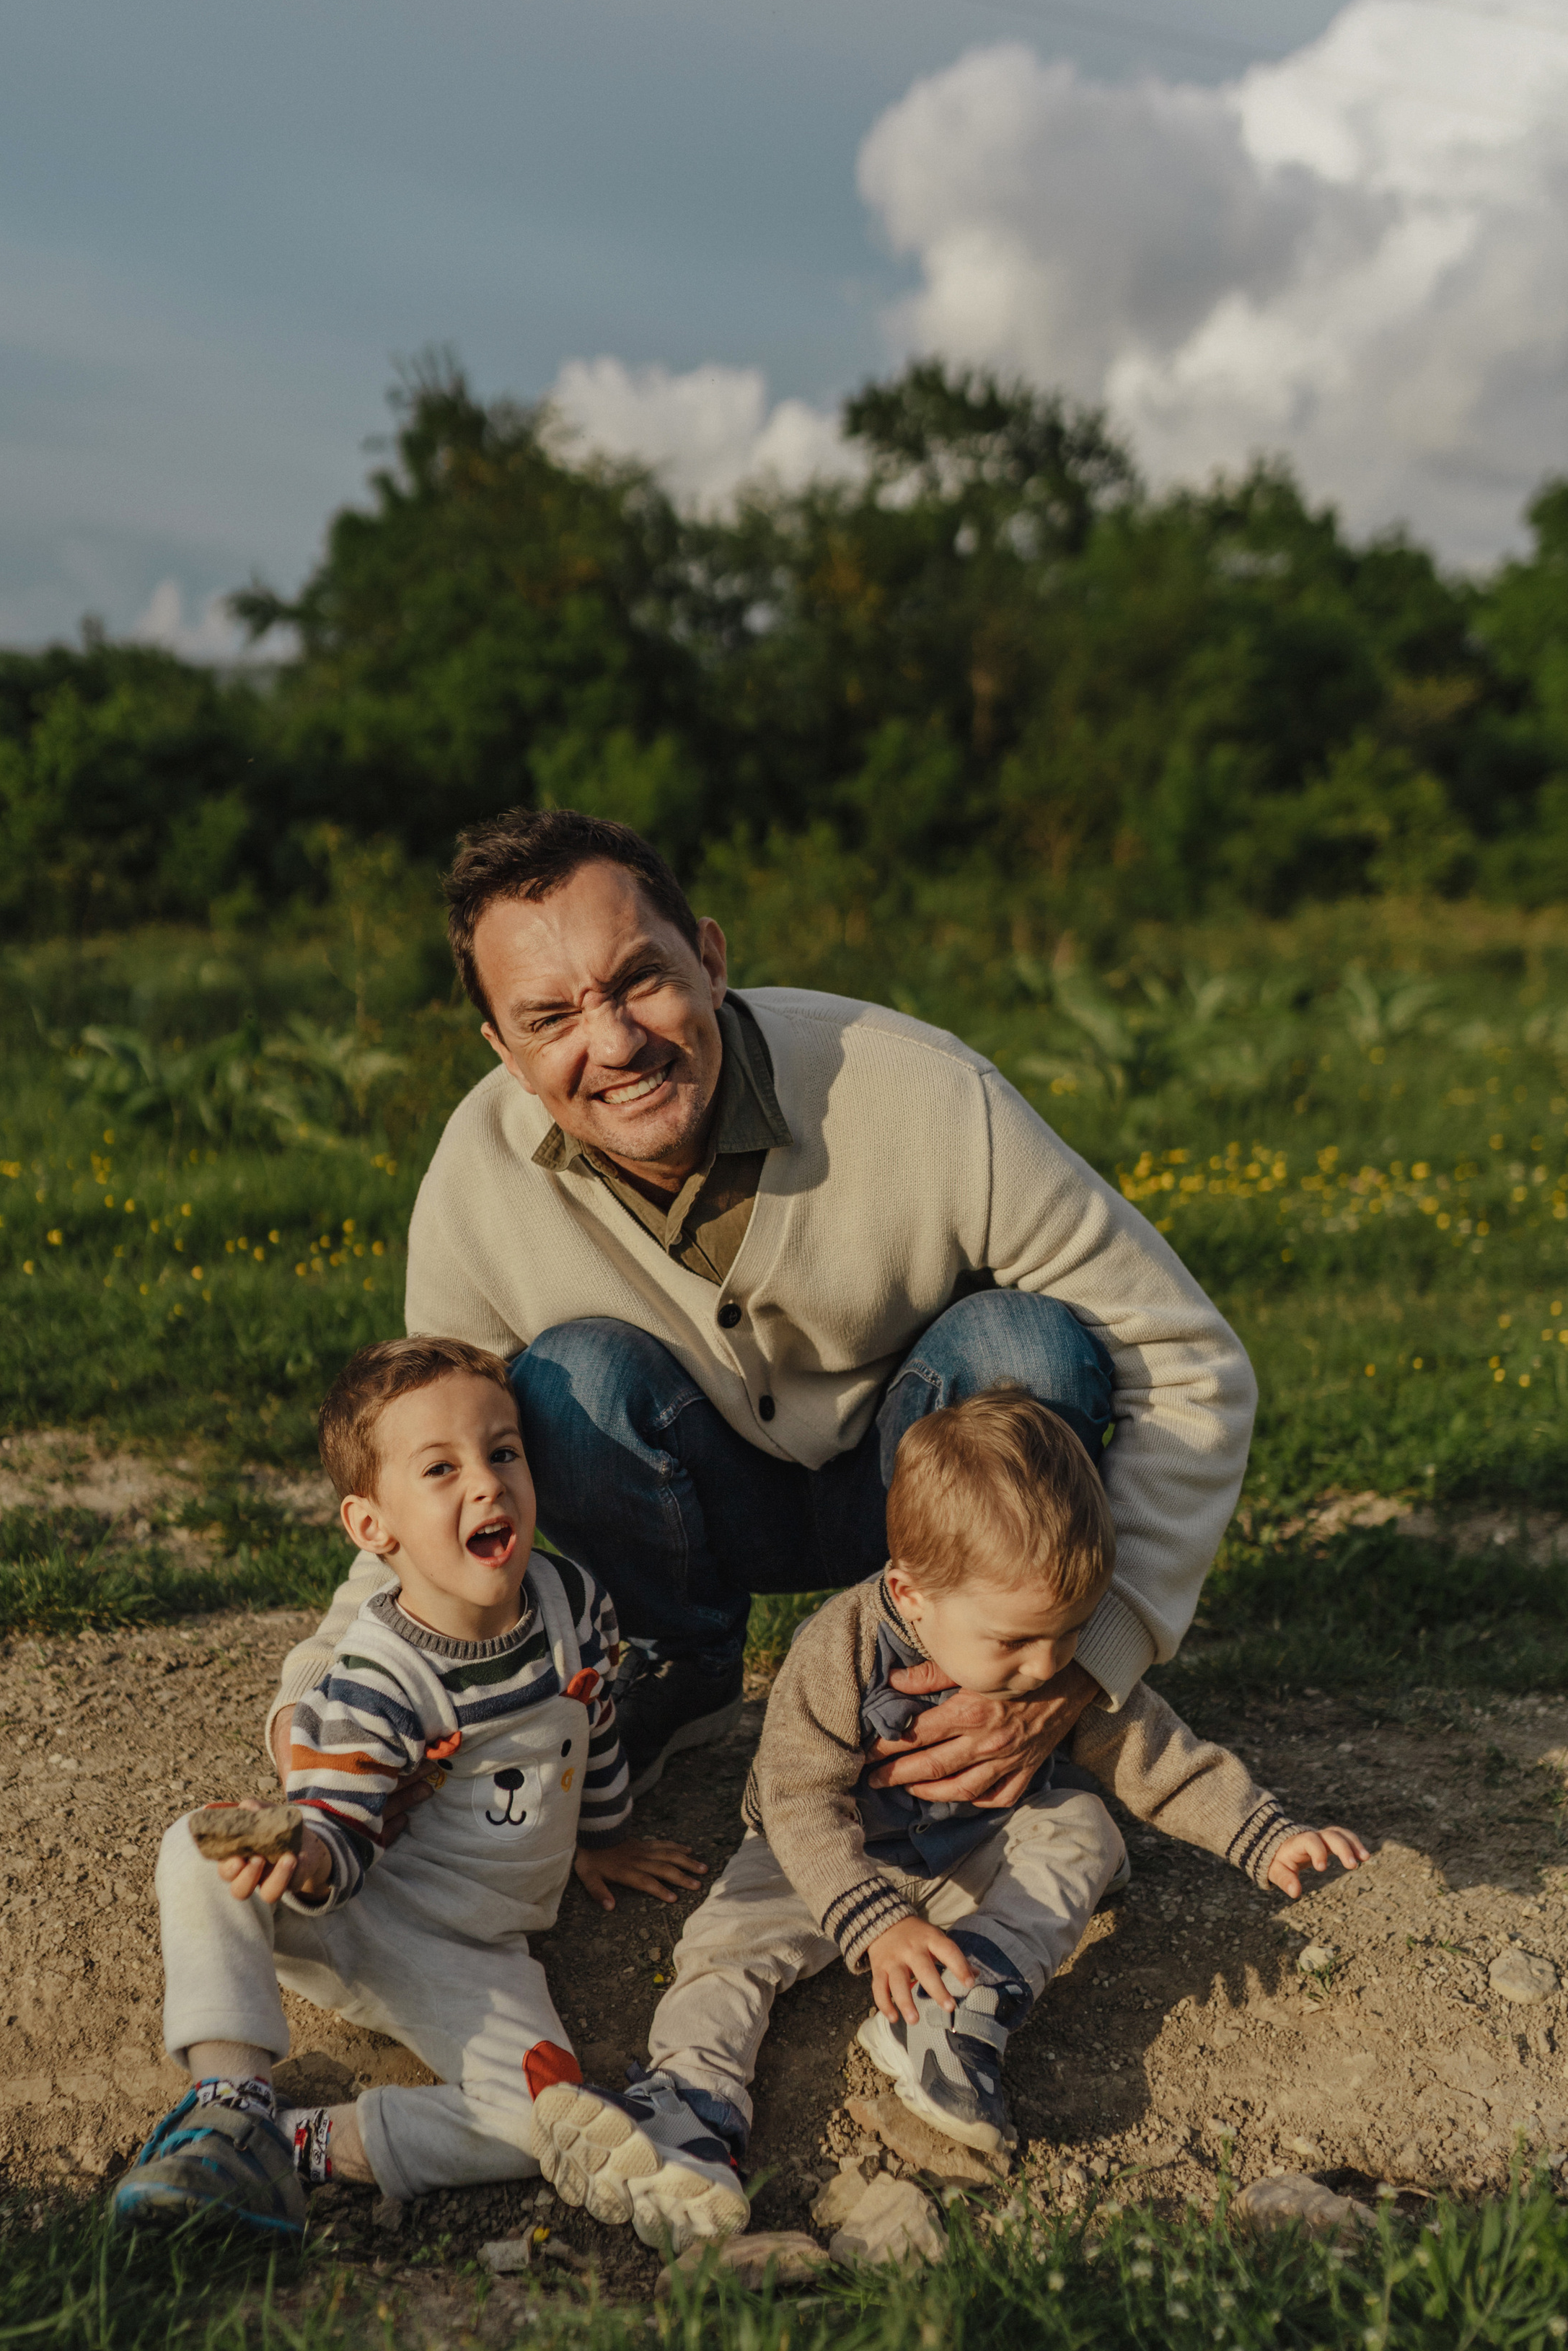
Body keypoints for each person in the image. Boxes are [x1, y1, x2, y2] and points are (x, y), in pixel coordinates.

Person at [264, 809, 1258, 1824]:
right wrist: (322, 1698)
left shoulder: (927, 1092)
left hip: (923, 1487)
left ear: (709, 958)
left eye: (639, 980)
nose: (613, 1043)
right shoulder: (478, 1176)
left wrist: (1093, 1657)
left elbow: (1185, 1362)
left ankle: (982, 1668)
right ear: (504, 1051)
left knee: (1021, 1346)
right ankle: (680, 1669)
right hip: (690, 1506)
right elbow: (419, 1468)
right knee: (571, 1384)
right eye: (550, 1018)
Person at [534, 1387, 1368, 2238]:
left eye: (1072, 1631)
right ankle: (689, 2111)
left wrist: (1262, 1832)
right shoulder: (842, 1644)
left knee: (1085, 1831)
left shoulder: (1046, 1656)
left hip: (980, 1838)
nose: (1047, 1667)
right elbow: (796, 1799)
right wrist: (875, 1923)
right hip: (829, 1854)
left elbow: (1154, 1753)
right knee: (727, 1947)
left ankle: (953, 2011)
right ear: (913, 1592)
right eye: (1013, 1642)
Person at [113, 1337, 718, 2241]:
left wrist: (603, 1836)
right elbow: (340, 1832)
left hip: (474, 1955)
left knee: (546, 2118)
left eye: (503, 1452)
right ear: (371, 1526)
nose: (487, 1484)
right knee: (196, 1844)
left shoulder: (574, 1605)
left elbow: (592, 1731)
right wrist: (303, 1856)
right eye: (442, 1468)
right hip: (354, 1904)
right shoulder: (376, 1678)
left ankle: (296, 2146)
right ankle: (228, 2103)